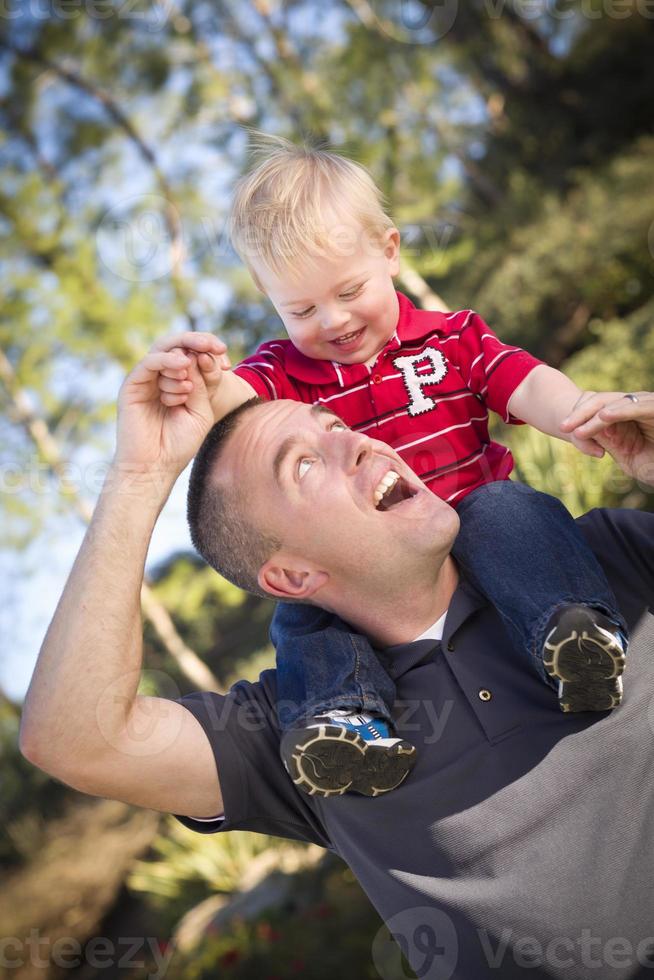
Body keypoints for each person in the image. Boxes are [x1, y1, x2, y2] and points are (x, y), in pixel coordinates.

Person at [19, 350, 654, 979]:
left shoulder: (595, 564)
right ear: (292, 575)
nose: (357, 442)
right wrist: (138, 477)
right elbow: (75, 736)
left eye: (336, 426)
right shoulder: (308, 733)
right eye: (303, 465)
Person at [156, 138, 629, 797]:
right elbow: (235, 402)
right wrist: (199, 386)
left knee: (512, 511)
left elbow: (519, 380)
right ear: (272, 304)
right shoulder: (284, 375)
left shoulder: (450, 337)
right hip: (378, 570)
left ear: (389, 251)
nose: (334, 319)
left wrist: (577, 411)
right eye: (301, 310)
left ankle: (571, 634)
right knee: (305, 610)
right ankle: (346, 725)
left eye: (348, 290)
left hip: (479, 521)